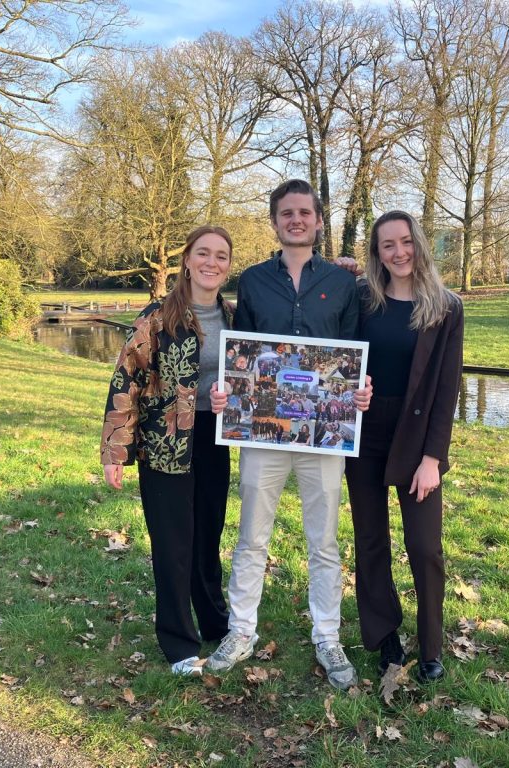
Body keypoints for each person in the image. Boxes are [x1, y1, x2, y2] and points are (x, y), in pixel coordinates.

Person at [208, 179, 371, 691]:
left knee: (323, 541)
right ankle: (241, 631)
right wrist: (228, 393)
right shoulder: (254, 281)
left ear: (319, 221)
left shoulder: (344, 283)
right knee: (251, 537)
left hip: (325, 434)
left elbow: (352, 353)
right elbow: (242, 354)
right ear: (275, 221)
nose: (296, 220)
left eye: (304, 212)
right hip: (263, 431)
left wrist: (360, 390)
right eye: (286, 213)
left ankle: (328, 636)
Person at [100, 225, 234, 677]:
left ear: (228, 266)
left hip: (214, 438)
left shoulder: (234, 318)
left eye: (221, 256)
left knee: (207, 537)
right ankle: (178, 642)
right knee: (174, 542)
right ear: (188, 261)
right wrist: (115, 450)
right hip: (164, 444)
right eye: (203, 253)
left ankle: (215, 620)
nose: (212, 262)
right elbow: (126, 379)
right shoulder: (159, 317)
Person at [344, 210, 464, 684]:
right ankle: (384, 636)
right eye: (387, 245)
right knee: (371, 539)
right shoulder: (362, 299)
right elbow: (342, 358)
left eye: (406, 241)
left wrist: (433, 459)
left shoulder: (446, 307)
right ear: (376, 253)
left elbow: (447, 390)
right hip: (365, 430)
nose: (399, 252)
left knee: (424, 545)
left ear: (419, 243)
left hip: (416, 437)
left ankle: (431, 645)